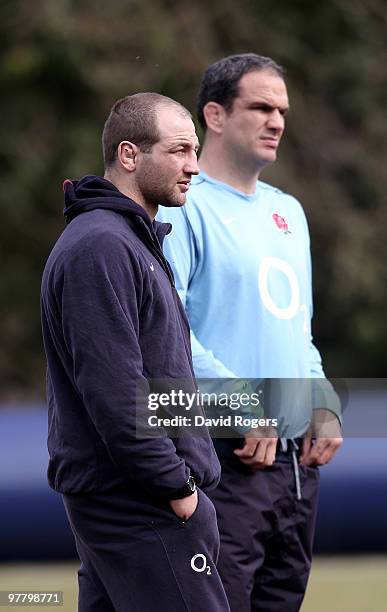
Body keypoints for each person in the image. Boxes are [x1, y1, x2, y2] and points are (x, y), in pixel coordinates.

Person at [157, 54, 343, 611]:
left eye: (282, 110)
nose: (277, 121)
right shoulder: (182, 207)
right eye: (261, 107)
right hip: (223, 453)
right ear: (214, 114)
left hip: (294, 466)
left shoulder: (290, 212)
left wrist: (322, 397)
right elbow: (168, 333)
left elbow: (297, 331)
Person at [41, 93, 231, 612]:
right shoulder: (101, 246)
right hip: (139, 502)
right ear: (129, 155)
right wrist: (178, 490)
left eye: (195, 150)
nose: (194, 166)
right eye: (179, 151)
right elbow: (117, 393)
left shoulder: (129, 240)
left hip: (137, 498)